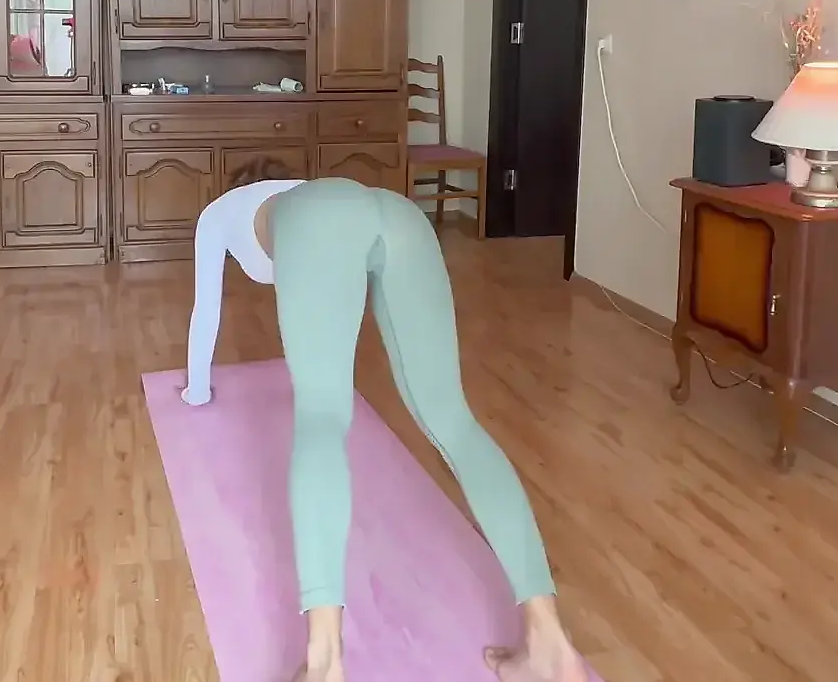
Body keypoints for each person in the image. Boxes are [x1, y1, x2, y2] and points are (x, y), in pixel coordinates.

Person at [186, 171, 585, 682]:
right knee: (454, 420)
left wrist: (196, 389)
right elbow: (346, 218)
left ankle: (324, 663)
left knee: (322, 413)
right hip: (398, 214)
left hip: (324, 222)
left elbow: (206, 310)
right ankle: (549, 641)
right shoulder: (299, 188)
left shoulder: (219, 214)